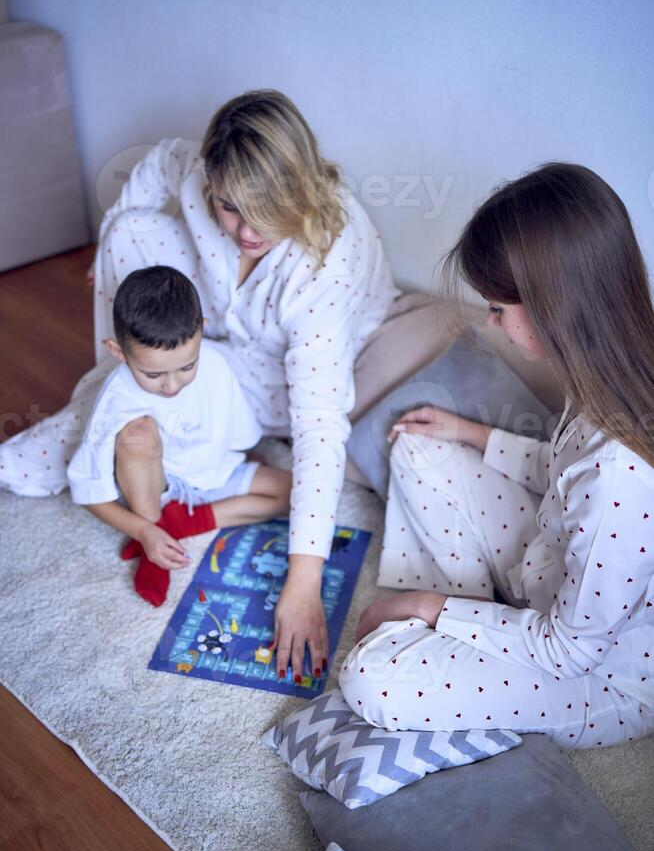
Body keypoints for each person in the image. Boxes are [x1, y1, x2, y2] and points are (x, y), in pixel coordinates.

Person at [2, 89, 445, 682]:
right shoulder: (194, 168)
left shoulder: (327, 259)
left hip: (274, 372)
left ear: (300, 187)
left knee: (55, 454)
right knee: (129, 233)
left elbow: (318, 428)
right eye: (229, 207)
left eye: (265, 209)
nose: (247, 230)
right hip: (206, 335)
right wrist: (108, 240)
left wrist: (302, 581)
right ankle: (126, 383)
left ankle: (143, 425)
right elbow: (159, 162)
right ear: (211, 180)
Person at [339, 162, 654, 750]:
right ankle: (468, 615)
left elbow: (571, 650)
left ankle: (453, 621)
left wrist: (431, 607)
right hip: (542, 579)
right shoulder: (608, 386)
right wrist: (469, 432)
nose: (492, 324)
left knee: (369, 676)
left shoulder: (623, 471)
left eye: (498, 309)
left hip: (597, 675)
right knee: (418, 446)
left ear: (550, 307)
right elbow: (564, 481)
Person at [68, 264, 292, 610]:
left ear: (201, 333)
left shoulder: (216, 363)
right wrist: (143, 529)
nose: (172, 386)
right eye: (154, 374)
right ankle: (155, 529)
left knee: (297, 493)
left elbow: (239, 438)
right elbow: (89, 492)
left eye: (186, 367)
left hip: (212, 474)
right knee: (138, 434)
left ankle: (182, 523)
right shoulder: (117, 398)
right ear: (118, 352)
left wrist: (246, 468)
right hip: (158, 489)